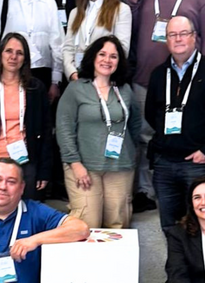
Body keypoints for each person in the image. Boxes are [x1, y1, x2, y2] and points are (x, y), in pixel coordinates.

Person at [126, 0, 205, 214]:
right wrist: (132, 3)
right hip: (146, 79)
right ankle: (145, 190)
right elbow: (129, 30)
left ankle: (183, 190)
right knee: (144, 136)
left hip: (186, 82)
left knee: (183, 133)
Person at [146, 17, 205, 231]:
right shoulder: (158, 74)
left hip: (198, 163)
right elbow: (151, 114)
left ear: (194, 37)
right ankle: (175, 256)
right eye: (172, 35)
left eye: (183, 33)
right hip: (164, 163)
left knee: (203, 224)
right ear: (166, 39)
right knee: (170, 226)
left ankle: (203, 256)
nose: (178, 39)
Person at [57, 36, 142, 228]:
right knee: (87, 224)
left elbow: (135, 123)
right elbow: (64, 128)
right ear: (93, 57)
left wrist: (129, 149)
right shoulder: (76, 89)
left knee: (118, 223)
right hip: (84, 167)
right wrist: (75, 163)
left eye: (113, 56)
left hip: (120, 166)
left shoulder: (125, 90)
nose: (107, 60)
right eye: (102, 54)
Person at [0, 32, 52, 200]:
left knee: (28, 210)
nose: (13, 57)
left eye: (19, 53)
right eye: (9, 51)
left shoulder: (36, 89)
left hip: (26, 162)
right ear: (0, 54)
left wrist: (44, 171)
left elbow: (46, 131)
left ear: (25, 59)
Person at [63, 0, 132, 81]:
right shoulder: (75, 12)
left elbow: (122, 49)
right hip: (77, 77)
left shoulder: (121, 10)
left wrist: (100, 73)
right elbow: (68, 48)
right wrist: (72, 73)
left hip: (105, 77)